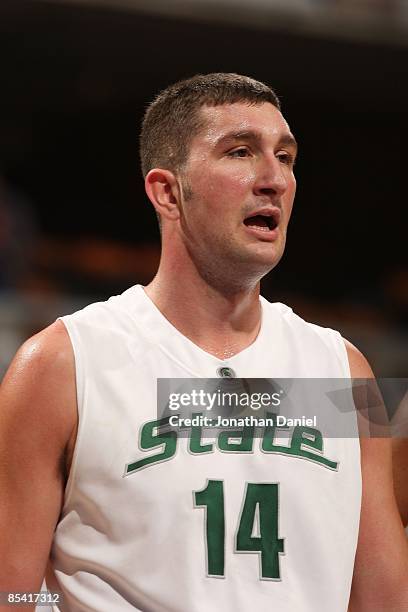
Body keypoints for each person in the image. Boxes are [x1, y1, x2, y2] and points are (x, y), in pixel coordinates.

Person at [0, 73, 407, 612]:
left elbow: (381, 597)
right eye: (240, 152)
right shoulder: (61, 364)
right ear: (167, 192)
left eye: (285, 157)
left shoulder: (343, 372)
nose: (275, 179)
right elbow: (12, 593)